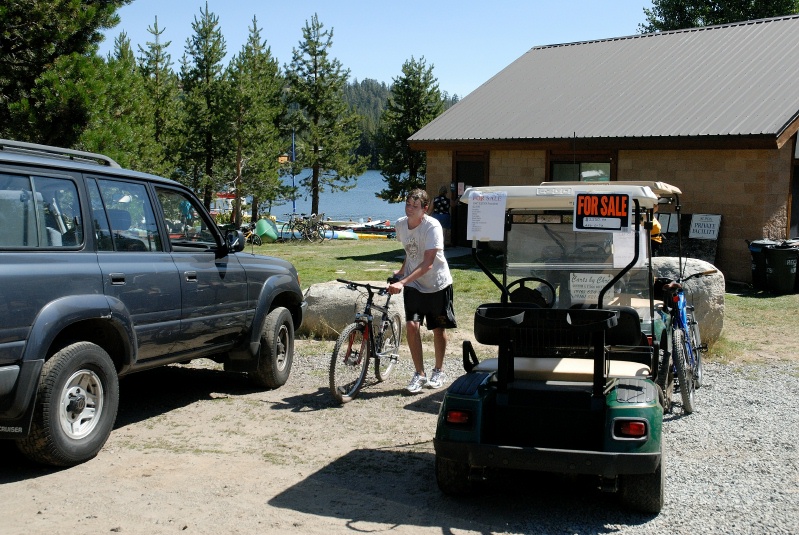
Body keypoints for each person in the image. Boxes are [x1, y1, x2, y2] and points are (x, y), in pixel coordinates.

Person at [388, 188, 457, 393]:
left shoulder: (432, 226)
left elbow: (427, 263)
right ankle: (419, 373)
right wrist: (402, 273)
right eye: (407, 204)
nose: (409, 209)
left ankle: (439, 369)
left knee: (438, 328)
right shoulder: (401, 225)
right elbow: (411, 252)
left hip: (437, 284)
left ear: (425, 209)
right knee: (411, 326)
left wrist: (402, 282)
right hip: (415, 285)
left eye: (414, 206)